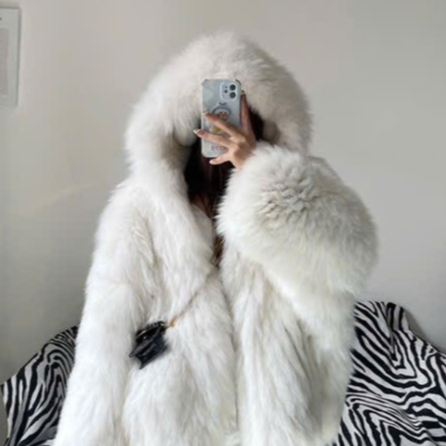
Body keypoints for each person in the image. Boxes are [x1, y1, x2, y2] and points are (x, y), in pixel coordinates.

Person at [53, 30, 379, 446]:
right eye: (214, 108)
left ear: (262, 119)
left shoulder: (299, 188)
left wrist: (260, 172)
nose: (224, 120)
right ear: (191, 120)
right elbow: (104, 335)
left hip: (269, 409)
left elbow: (346, 265)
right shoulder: (143, 205)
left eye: (239, 110)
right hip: (172, 417)